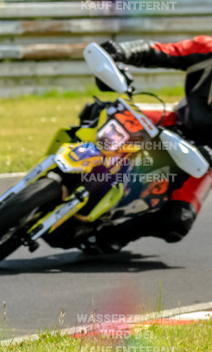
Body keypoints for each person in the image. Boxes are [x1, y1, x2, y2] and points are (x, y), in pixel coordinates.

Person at [84, 37, 212, 250]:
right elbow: (163, 51)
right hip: (174, 122)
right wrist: (121, 51)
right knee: (101, 113)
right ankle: (57, 173)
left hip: (202, 157)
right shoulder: (207, 49)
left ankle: (118, 233)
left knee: (177, 221)